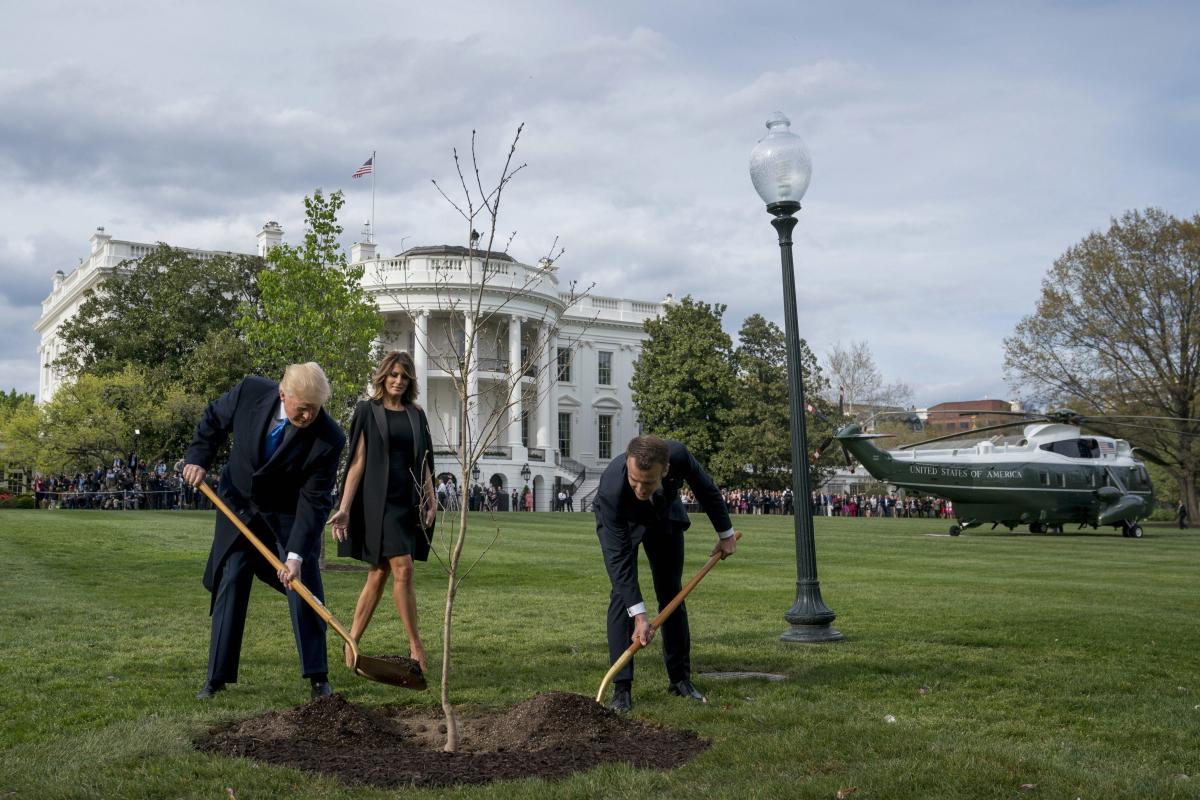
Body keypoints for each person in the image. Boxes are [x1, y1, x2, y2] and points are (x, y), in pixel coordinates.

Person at [184, 363, 346, 700]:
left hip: (286, 514)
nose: (309, 416)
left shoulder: (329, 438)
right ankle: (216, 678)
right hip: (237, 502)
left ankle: (318, 678)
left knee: (302, 586)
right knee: (233, 575)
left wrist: (296, 555)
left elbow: (315, 500)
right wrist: (198, 458)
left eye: (315, 409)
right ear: (283, 395)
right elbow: (213, 418)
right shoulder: (250, 392)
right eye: (302, 409)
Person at [594, 435, 738, 712]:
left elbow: (706, 489)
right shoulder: (611, 488)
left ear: (666, 470)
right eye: (634, 480)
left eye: (648, 482)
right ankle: (621, 689)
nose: (639, 488)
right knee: (622, 599)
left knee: (672, 591)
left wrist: (726, 534)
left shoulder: (680, 456)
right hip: (624, 522)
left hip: (664, 516)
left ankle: (680, 680)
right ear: (628, 463)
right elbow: (618, 559)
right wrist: (640, 615)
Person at [329, 352, 436, 674]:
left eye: (404, 376)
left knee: (379, 573)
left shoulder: (416, 414)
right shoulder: (367, 411)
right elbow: (358, 461)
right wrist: (345, 508)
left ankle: (352, 640)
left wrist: (430, 499)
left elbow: (425, 462)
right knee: (403, 568)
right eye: (393, 375)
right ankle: (416, 646)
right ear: (383, 376)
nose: (398, 381)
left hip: (409, 502)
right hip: (381, 503)